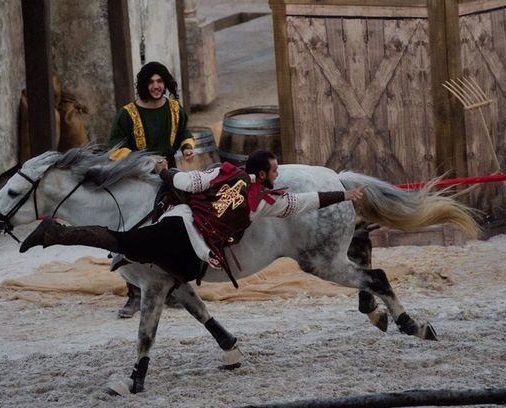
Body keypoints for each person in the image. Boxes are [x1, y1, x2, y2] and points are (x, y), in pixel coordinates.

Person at [19, 151, 367, 290]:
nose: (278, 172)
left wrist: (165, 171)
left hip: (177, 220)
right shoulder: (265, 202)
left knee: (122, 241)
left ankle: (63, 235)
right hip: (192, 244)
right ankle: (56, 233)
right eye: (275, 169)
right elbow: (303, 202)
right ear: (263, 173)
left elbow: (187, 183)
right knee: (122, 243)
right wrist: (341, 195)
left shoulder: (227, 171)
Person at [108, 61, 195, 318]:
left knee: (176, 227)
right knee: (133, 234)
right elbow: (114, 148)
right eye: (151, 82)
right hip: (136, 179)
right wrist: (147, 160)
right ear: (144, 85)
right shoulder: (127, 114)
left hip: (169, 177)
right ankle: (134, 294)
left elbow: (184, 133)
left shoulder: (175, 109)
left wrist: (187, 147)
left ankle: (172, 288)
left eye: (160, 82)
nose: (157, 87)